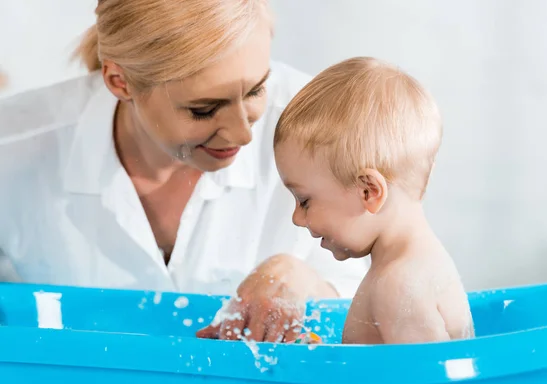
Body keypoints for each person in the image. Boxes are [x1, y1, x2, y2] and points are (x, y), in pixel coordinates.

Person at [0, 0, 368, 343]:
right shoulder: (13, 150)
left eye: (256, 90)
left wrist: (305, 280)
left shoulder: (324, 130)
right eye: (204, 109)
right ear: (119, 81)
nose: (243, 133)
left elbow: (384, 297)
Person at [273, 57, 474, 344]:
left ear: (369, 191)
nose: (297, 218)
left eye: (304, 201)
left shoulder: (399, 285)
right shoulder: (412, 267)